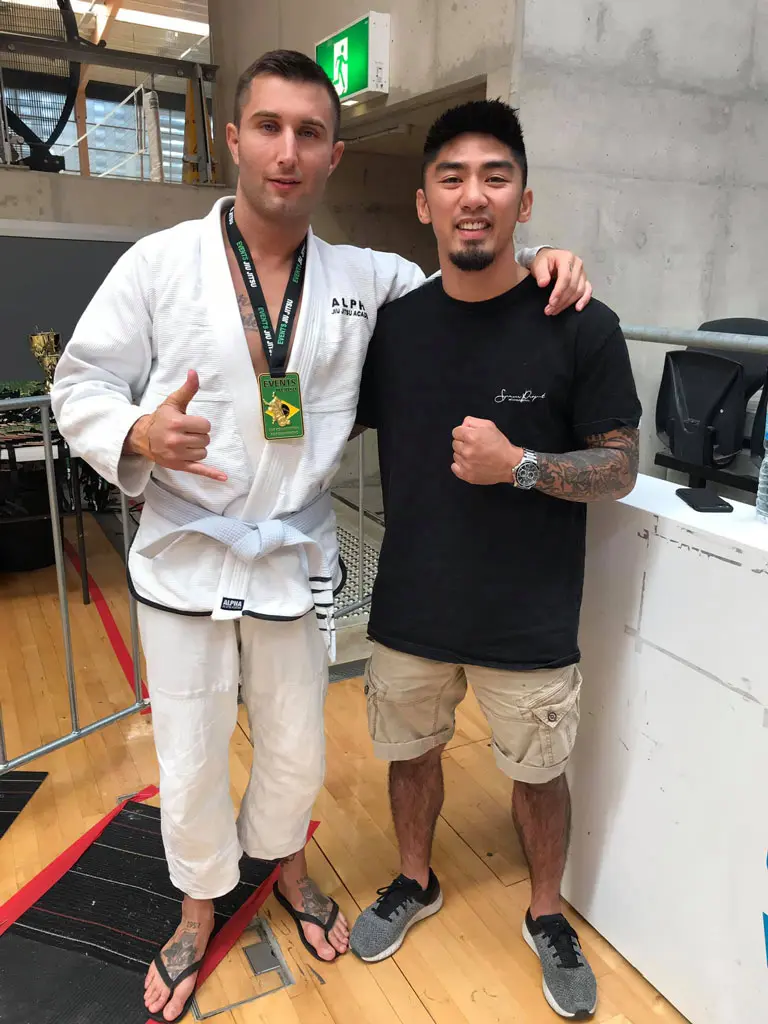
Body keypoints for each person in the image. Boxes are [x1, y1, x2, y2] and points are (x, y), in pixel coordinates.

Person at [51, 52, 591, 1023]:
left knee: (299, 753)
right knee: (190, 751)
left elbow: (468, 284)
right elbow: (78, 381)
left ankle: (290, 872)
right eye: (269, 126)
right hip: (186, 547)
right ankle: (194, 909)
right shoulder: (158, 263)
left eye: (309, 133)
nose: (287, 151)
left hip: (293, 555)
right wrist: (132, 430)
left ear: (335, 154)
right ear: (232, 136)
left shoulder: (368, 278)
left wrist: (545, 259)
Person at [349, 99, 642, 1020]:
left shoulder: (581, 323)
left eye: (494, 177)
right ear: (425, 202)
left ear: (523, 201)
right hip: (413, 602)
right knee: (411, 754)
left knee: (538, 771)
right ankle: (413, 879)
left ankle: (546, 913)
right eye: (452, 178)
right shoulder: (393, 329)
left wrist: (518, 464)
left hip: (530, 612)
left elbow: (621, 466)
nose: (472, 196)